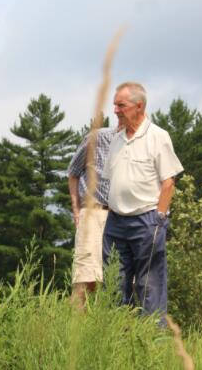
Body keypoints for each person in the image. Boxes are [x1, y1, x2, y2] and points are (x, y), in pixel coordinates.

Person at [101, 82, 183, 324]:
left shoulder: (158, 137)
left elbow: (169, 183)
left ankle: (151, 344)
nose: (115, 110)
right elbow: (111, 180)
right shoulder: (117, 139)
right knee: (114, 284)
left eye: (120, 105)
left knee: (150, 286)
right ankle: (116, 341)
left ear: (139, 106)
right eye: (114, 104)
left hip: (147, 220)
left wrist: (159, 219)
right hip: (115, 222)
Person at [67, 122, 120, 308]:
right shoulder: (96, 138)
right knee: (86, 277)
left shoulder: (139, 144)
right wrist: (76, 210)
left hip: (124, 217)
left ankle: (114, 331)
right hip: (93, 213)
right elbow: (73, 173)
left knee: (121, 280)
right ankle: (76, 330)